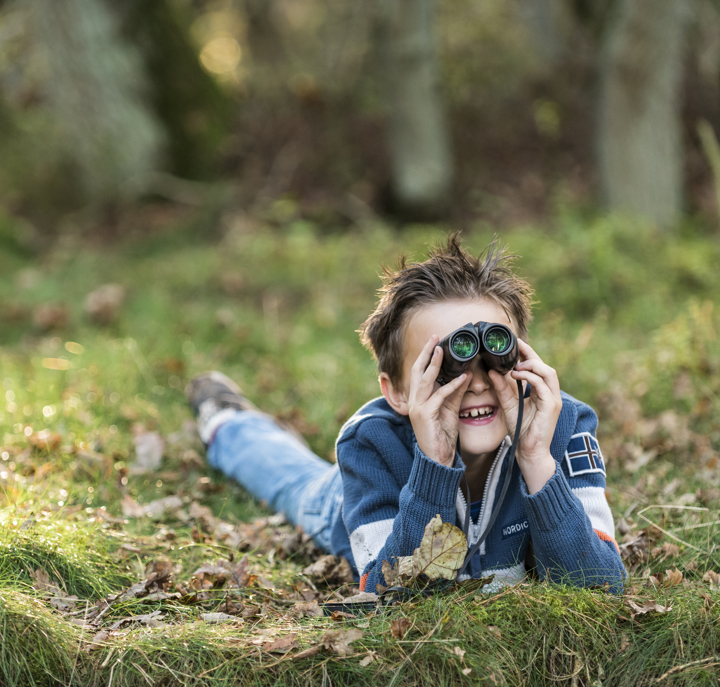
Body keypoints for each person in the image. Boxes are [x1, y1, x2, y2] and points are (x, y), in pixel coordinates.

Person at [186, 234, 626, 595]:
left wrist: (536, 461)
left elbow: (601, 587)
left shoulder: (562, 425)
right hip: (361, 503)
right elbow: (394, 598)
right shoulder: (373, 445)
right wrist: (433, 463)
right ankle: (227, 421)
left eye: (492, 356)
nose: (474, 382)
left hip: (529, 450)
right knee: (292, 481)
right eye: (445, 365)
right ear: (396, 391)